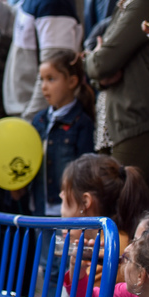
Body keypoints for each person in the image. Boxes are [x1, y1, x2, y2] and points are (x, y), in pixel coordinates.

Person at [84, 0, 149, 187]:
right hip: (120, 123)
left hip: (136, 123)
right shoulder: (129, 0)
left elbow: (101, 63)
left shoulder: (146, 0)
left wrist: (95, 63)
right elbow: (99, 67)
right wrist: (98, 69)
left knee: (127, 210)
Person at [4, 0, 84, 123]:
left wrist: (30, 120)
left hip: (37, 119)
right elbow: (7, 23)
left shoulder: (53, 2)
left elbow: (55, 72)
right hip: (25, 113)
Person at [29, 50, 95, 217]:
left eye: (51, 79)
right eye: (41, 79)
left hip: (69, 211)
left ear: (72, 81)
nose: (44, 86)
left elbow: (85, 171)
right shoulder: (39, 120)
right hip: (40, 209)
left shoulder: (82, 122)